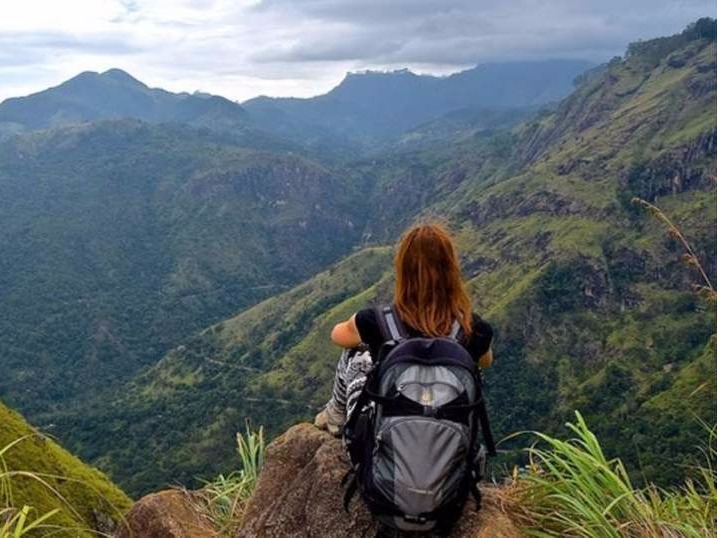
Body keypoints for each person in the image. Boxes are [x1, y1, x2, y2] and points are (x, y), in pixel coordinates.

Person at [315, 222, 493, 435]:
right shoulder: (474, 329)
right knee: (472, 364)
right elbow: (486, 361)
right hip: (450, 443)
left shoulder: (376, 322)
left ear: (403, 271)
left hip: (385, 442)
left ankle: (336, 413)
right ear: (451, 271)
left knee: (356, 350)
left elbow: (337, 335)